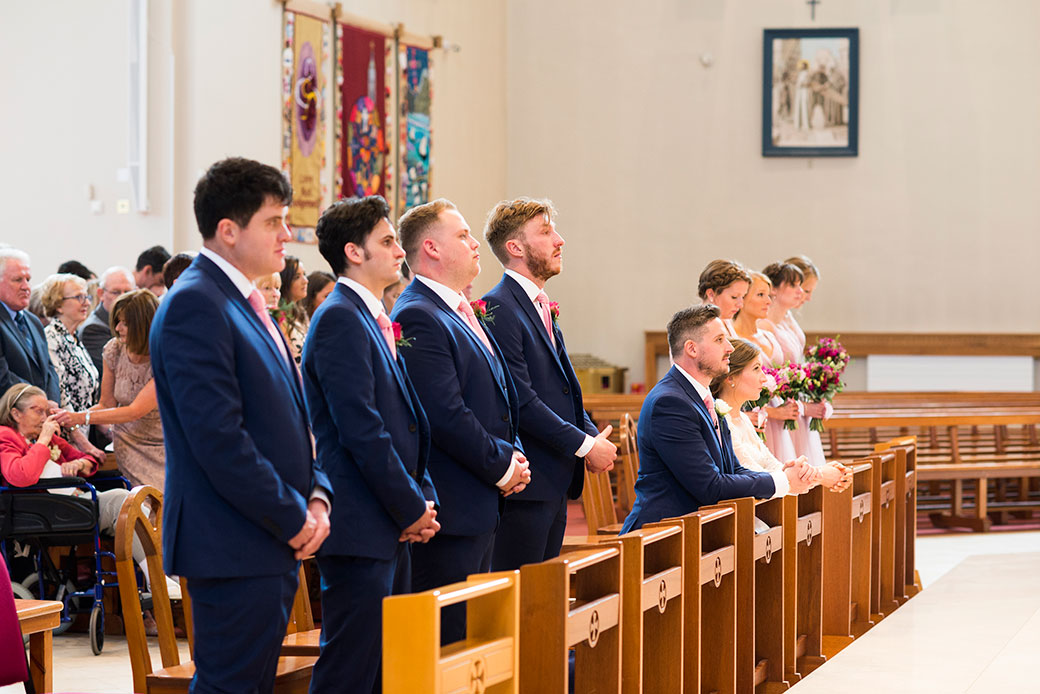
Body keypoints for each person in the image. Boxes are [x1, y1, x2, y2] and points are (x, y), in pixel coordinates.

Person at [148, 157, 331, 693]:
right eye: (273, 221)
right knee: (232, 687)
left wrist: (317, 495)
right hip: (232, 540)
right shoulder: (196, 305)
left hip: (263, 536)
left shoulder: (247, 302)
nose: (287, 234)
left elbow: (296, 419)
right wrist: (293, 516)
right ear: (228, 230)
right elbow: (219, 440)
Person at [304, 196, 439, 693]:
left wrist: (421, 498)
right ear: (353, 252)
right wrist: (409, 507)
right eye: (387, 241)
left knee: (387, 667)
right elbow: (362, 428)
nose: (399, 252)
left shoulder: (372, 316)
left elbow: (407, 421)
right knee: (351, 669)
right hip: (362, 521)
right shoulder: (340, 317)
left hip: (389, 518)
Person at [391, 197, 530, 643]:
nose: (475, 244)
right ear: (431, 248)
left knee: (474, 646)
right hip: (450, 508)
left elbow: (501, 400)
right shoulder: (418, 314)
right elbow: (444, 412)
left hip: (480, 501)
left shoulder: (458, 310)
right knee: (445, 645)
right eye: (464, 235)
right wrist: (504, 466)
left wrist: (516, 457)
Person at [481, 198, 616, 569]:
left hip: (552, 482)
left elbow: (562, 388)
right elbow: (522, 399)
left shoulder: (539, 305)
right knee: (521, 599)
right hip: (527, 484)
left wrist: (590, 432)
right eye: (545, 231)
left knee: (543, 600)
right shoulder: (498, 307)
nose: (559, 240)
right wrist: (586, 446)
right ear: (515, 247)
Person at [620, 305, 813, 532]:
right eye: (720, 340)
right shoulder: (670, 403)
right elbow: (710, 486)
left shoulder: (703, 398)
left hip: (697, 529)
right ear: (691, 348)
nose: (730, 347)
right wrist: (782, 482)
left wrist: (782, 475)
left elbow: (733, 469)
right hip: (662, 536)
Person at [55, 290, 164, 489]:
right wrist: (72, 417)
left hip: (163, 445)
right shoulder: (114, 350)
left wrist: (81, 418)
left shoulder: (164, 356)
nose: (117, 328)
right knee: (144, 507)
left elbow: (134, 411)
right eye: (116, 321)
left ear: (143, 324)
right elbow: (106, 404)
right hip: (128, 444)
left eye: (125, 323)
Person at [711, 339, 851, 490]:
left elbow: (772, 465)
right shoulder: (721, 421)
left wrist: (807, 470)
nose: (764, 378)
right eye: (756, 369)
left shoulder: (743, 419)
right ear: (730, 377)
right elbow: (754, 474)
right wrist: (820, 474)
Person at [732, 271, 798, 461]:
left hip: (779, 419)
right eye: (761, 295)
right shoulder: (734, 340)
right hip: (754, 419)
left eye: (769, 295)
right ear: (742, 298)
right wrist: (772, 412)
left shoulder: (769, 335)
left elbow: (781, 376)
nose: (768, 301)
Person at [40, 274, 103, 459]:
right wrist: (83, 443)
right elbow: (59, 393)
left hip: (82, 433)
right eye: (78, 297)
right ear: (58, 304)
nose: (85, 303)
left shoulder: (73, 338)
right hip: (66, 439)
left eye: (86, 297)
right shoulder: (51, 337)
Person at [0, 248, 60, 403]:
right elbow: (3, 377)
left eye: (28, 279)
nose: (26, 287)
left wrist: (51, 403)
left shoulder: (33, 321)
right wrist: (39, 402)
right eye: (17, 280)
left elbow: (49, 371)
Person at [79, 266, 136, 376]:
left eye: (128, 292)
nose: (123, 298)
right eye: (116, 292)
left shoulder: (135, 322)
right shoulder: (93, 329)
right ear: (101, 294)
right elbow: (118, 370)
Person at [697, 260, 750, 339]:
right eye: (734, 297)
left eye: (743, 296)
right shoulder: (698, 328)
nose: (740, 305)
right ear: (711, 294)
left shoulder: (726, 321)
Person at [276, 255, 309, 362]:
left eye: (304, 274)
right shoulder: (279, 316)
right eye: (297, 277)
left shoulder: (301, 313)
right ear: (285, 281)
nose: (305, 281)